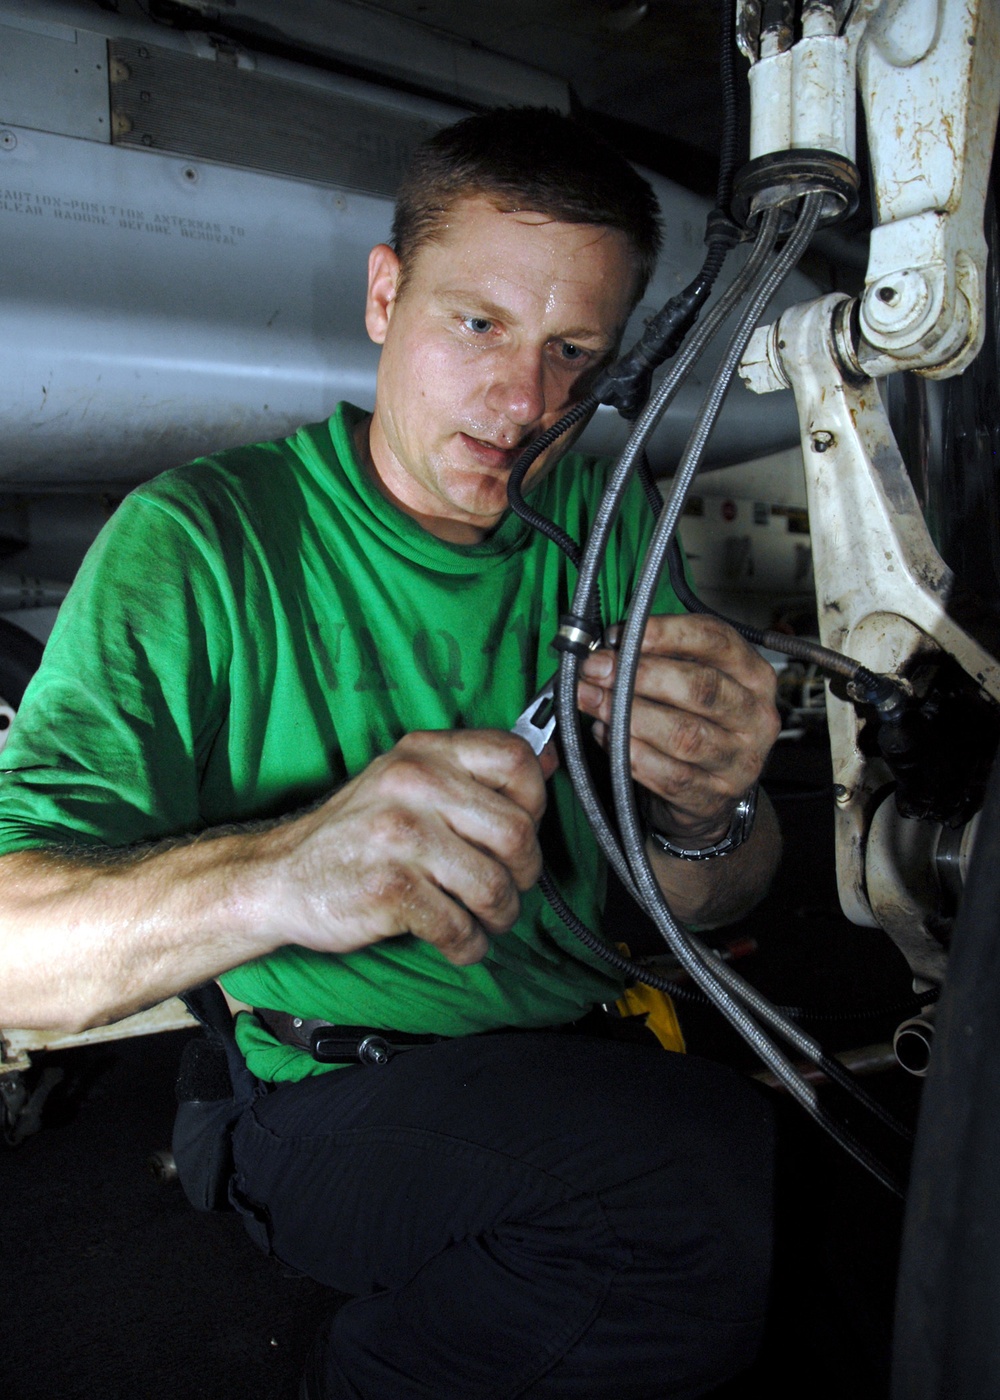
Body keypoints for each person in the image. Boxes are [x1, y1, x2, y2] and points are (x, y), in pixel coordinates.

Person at [0, 108, 783, 1398]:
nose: (525, 403)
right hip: (326, 1101)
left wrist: (710, 808)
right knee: (673, 1193)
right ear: (385, 296)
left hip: (597, 1054)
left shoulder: (608, 519)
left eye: (572, 350)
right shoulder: (203, 541)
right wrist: (285, 872)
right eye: (477, 324)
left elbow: (710, 898)